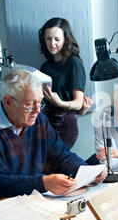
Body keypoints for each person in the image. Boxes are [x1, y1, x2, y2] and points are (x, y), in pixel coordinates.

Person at [0, 68, 107, 212]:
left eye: (40, 102)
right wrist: (44, 182)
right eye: (29, 105)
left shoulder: (38, 119)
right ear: (8, 102)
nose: (37, 110)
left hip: (23, 201)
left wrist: (87, 171)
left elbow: (61, 155)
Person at [38, 17, 92, 149]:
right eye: (48, 39)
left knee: (55, 163)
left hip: (64, 124)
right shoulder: (45, 66)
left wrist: (59, 103)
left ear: (65, 40)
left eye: (57, 39)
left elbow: (78, 103)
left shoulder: (74, 63)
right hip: (45, 121)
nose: (52, 43)